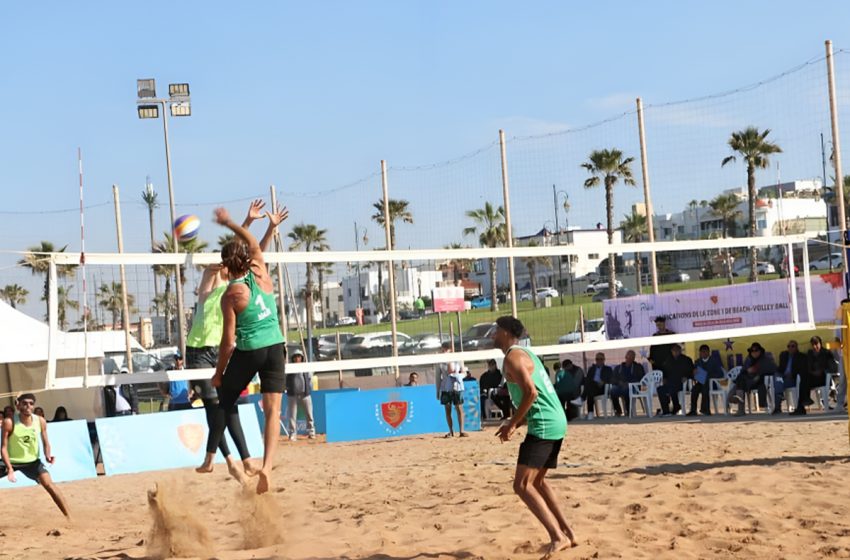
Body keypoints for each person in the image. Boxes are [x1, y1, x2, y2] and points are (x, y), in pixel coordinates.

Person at [199, 203, 289, 495]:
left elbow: (227, 343)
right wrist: (233, 223)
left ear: (225, 267)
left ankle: (211, 458)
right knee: (273, 411)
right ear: (247, 258)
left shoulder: (231, 294)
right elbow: (250, 243)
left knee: (223, 400)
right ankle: (267, 466)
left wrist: (218, 373)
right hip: (275, 345)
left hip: (250, 350)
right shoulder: (260, 270)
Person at [493, 316, 575, 556]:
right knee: (537, 482)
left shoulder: (513, 357)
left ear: (507, 333)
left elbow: (532, 393)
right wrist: (515, 424)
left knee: (521, 485)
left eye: (496, 330)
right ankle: (569, 533)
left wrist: (512, 423)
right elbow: (534, 397)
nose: (493, 334)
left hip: (544, 425)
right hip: (555, 420)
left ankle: (557, 537)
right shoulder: (523, 354)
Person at [1, 394, 70, 517]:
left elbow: (46, 443)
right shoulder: (9, 422)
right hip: (11, 461)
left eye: (31, 404)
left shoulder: (40, 421)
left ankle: (70, 517)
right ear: (18, 405)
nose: (28, 406)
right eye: (25, 403)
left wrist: (48, 455)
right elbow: (4, 448)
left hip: (32, 462)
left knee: (50, 486)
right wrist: (10, 468)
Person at [793, 336, 838, 415]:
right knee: (803, 378)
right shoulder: (810, 353)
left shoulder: (826, 353)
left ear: (820, 343)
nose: (814, 346)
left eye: (816, 344)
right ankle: (802, 405)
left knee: (804, 381)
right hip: (813, 377)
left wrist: (821, 371)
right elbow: (808, 366)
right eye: (813, 344)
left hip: (823, 377)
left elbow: (832, 367)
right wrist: (812, 371)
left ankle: (802, 404)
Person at [730, 342, 775, 416]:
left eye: (756, 350)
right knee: (739, 382)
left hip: (760, 382)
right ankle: (734, 399)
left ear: (760, 351)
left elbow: (770, 369)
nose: (754, 352)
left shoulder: (765, 359)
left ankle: (739, 406)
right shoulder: (748, 359)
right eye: (752, 351)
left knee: (740, 383)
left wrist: (757, 370)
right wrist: (748, 370)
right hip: (747, 381)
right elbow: (743, 371)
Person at [436, 342, 466, 438]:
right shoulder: (440, 361)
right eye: (443, 349)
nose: (444, 351)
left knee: (459, 408)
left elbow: (464, 372)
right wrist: (438, 391)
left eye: (446, 349)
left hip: (457, 386)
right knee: (447, 410)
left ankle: (462, 431)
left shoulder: (458, 359)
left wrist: (458, 376)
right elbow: (437, 377)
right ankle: (451, 431)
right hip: (445, 388)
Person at [285, 350, 316, 441]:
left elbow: (310, 378)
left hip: (305, 394)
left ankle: (311, 432)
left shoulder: (306, 367)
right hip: (292, 395)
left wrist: (308, 389)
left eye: (299, 356)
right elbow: (286, 379)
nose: (297, 358)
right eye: (295, 356)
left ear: (302, 357)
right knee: (292, 416)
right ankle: (292, 433)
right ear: (293, 358)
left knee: (309, 414)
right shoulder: (289, 368)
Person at [657, 344, 693, 416]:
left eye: (677, 350)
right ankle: (666, 411)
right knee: (660, 389)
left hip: (682, 383)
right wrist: (664, 378)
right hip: (670, 383)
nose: (676, 352)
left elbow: (692, 371)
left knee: (672, 388)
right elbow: (665, 371)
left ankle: (676, 406)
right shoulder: (668, 360)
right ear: (671, 351)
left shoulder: (686, 360)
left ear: (680, 351)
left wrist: (686, 377)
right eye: (674, 351)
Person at [689, 344, 724, 416]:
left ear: (709, 352)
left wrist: (707, 376)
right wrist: (694, 374)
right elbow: (694, 374)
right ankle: (693, 410)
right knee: (694, 389)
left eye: (705, 352)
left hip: (712, 383)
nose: (703, 353)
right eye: (702, 352)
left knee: (705, 388)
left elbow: (720, 373)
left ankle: (706, 410)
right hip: (701, 382)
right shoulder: (697, 362)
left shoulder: (714, 361)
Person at [611, 350, 645, 416]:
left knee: (626, 389)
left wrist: (629, 383)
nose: (629, 359)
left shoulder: (638, 367)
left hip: (633, 387)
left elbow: (641, 378)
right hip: (620, 385)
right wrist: (618, 382)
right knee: (613, 390)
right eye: (628, 357)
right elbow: (613, 379)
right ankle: (618, 410)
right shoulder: (618, 368)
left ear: (634, 358)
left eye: (631, 357)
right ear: (625, 357)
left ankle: (628, 410)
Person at [778, 339, 807, 415]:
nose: (790, 348)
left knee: (780, 384)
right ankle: (777, 404)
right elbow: (780, 368)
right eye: (789, 346)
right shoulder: (784, 356)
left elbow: (801, 369)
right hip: (783, 377)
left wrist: (793, 374)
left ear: (797, 347)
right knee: (776, 382)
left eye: (792, 346)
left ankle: (780, 396)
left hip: (793, 378)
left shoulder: (801, 357)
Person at [582, 353, 612, 419]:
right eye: (597, 359)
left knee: (589, 388)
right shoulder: (591, 369)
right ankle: (590, 413)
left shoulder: (608, 369)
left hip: (602, 388)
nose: (599, 361)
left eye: (601, 359)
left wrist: (603, 382)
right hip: (593, 388)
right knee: (590, 389)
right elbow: (588, 379)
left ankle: (583, 401)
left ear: (604, 360)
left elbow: (611, 379)